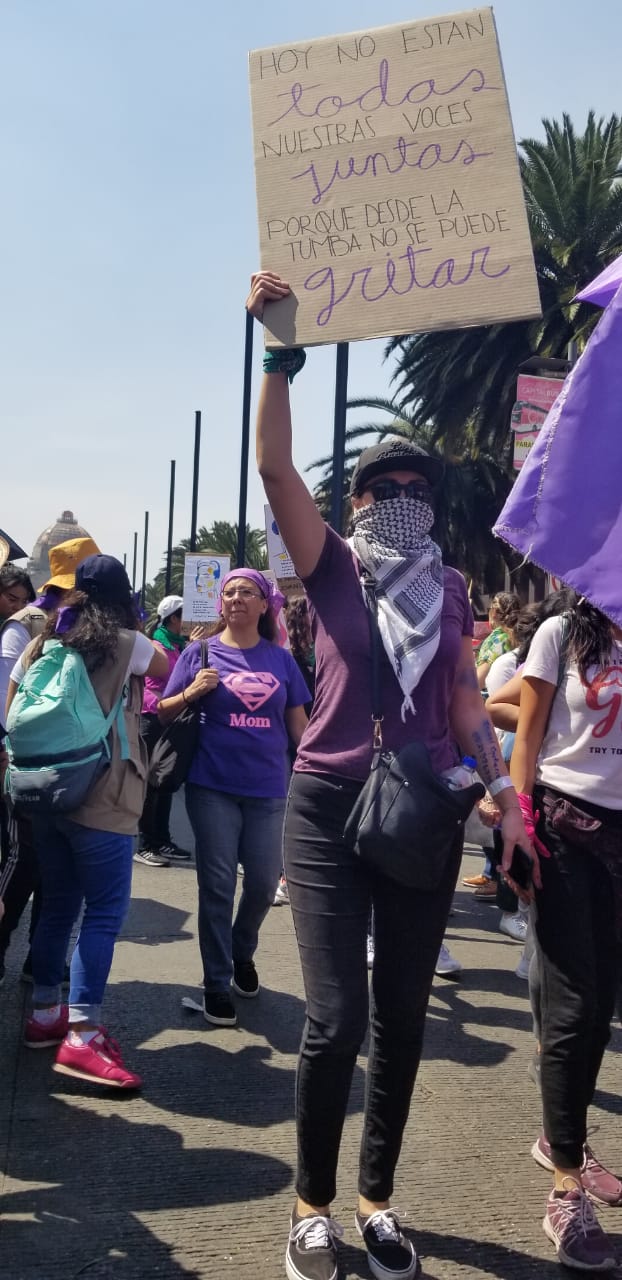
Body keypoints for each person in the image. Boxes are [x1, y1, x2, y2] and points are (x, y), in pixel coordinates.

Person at [247, 269, 530, 1280]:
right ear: (356, 500)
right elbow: (278, 470)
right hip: (325, 801)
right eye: (384, 487)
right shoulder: (329, 564)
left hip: (420, 805)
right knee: (337, 1017)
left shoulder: (452, 586)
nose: (404, 499)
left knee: (404, 1016)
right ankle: (310, 1203)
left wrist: (495, 784)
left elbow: (460, 695)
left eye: (419, 488)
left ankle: (375, 1198)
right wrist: (279, 355)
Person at [8, 555, 168, 1088]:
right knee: (103, 913)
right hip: (104, 793)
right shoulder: (130, 646)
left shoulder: (41, 644)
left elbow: (11, 710)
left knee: (57, 906)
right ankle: (83, 1033)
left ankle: (46, 1013)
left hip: (45, 795)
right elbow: (173, 671)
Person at [510, 594, 622, 1270]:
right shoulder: (560, 633)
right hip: (564, 827)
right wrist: (518, 824)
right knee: (575, 1009)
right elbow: (526, 736)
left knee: (604, 1008)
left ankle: (562, 1139)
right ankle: (566, 1190)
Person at [158, 567, 310, 1028]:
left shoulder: (281, 660)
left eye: (248, 592)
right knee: (218, 886)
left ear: (265, 605)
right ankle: (216, 983)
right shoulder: (199, 652)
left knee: (264, 884)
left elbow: (299, 728)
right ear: (220, 604)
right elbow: (162, 711)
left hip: (268, 790)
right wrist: (192, 690)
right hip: (213, 788)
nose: (237, 598)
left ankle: (243, 951)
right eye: (230, 592)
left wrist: (318, 772)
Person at [0, 538, 99, 987]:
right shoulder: (27, 629)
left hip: (49, 765)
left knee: (50, 866)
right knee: (25, 862)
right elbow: (8, 704)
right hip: (34, 766)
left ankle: (41, 958)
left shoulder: (58, 627)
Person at [135, 594, 192, 868]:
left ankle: (162, 839)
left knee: (165, 781)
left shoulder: (180, 646)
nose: (188, 622)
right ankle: (146, 843)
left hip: (171, 718)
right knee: (149, 783)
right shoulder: (156, 645)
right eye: (184, 616)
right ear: (172, 619)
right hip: (152, 718)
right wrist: (161, 704)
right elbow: (147, 683)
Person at [475, 592, 521, 692]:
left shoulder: (499, 639)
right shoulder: (517, 637)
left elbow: (479, 681)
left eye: (490, 609)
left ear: (494, 612)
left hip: (488, 700)